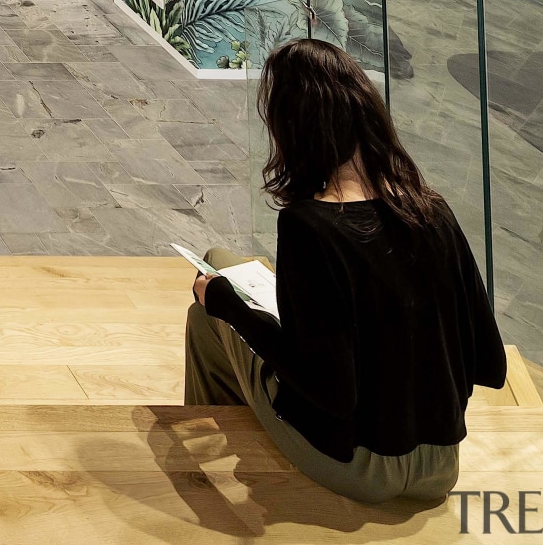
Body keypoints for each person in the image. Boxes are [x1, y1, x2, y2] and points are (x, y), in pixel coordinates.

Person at [184, 38, 504, 509]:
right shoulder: (431, 209)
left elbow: (331, 391)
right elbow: (490, 363)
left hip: (357, 464)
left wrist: (232, 310)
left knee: (207, 311)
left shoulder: (309, 225)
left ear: (294, 129)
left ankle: (203, 474)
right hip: (441, 465)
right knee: (218, 258)